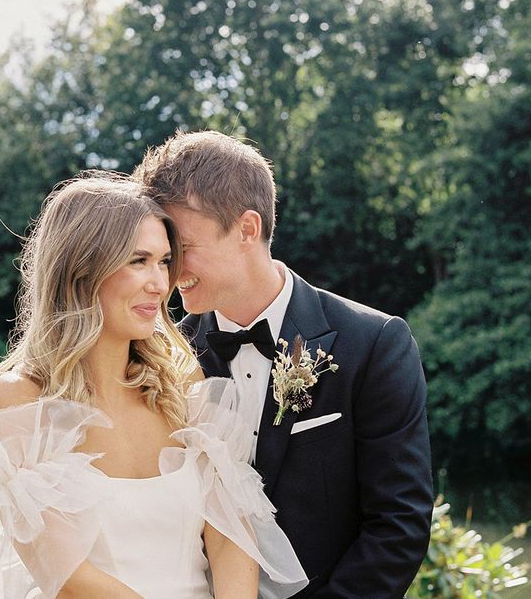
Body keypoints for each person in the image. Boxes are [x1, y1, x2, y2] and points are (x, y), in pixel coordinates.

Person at [0, 172, 307, 599]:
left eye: (165, 262)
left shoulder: (183, 384)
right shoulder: (16, 400)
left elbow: (229, 536)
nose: (161, 284)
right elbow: (68, 574)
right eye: (138, 260)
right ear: (81, 270)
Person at [134, 131, 434, 598]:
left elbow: (398, 527)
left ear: (247, 229)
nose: (171, 271)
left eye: (184, 248)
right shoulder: (158, 355)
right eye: (164, 253)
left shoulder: (373, 344)